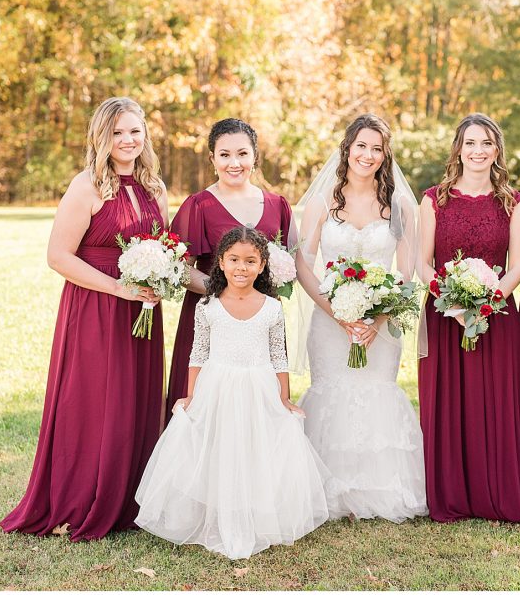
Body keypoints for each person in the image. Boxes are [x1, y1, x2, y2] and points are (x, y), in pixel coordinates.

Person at [1, 97, 167, 541]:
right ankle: (82, 497)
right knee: (92, 398)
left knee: (135, 397)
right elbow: (57, 256)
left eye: (134, 130)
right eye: (117, 133)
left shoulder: (155, 186)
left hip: (143, 309)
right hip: (96, 305)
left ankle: (130, 497)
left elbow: (166, 249)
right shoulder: (86, 185)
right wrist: (118, 288)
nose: (127, 140)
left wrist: (160, 282)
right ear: (101, 137)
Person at [135, 226, 342, 559]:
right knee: (221, 450)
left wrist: (284, 399)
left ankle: (254, 515)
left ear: (262, 266)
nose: (241, 268)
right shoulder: (208, 305)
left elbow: (278, 356)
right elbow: (198, 352)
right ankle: (219, 516)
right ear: (220, 262)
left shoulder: (272, 307)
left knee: (253, 449)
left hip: (258, 387)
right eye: (233, 260)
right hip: (217, 386)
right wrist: (191, 396)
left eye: (250, 261)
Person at [418, 113, 520, 524]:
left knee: (495, 404)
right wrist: (454, 304)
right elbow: (422, 264)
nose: (478, 151)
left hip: (497, 316)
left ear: (497, 150)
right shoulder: (433, 199)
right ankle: (452, 494)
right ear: (458, 149)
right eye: (470, 143)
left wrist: (487, 303)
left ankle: (496, 492)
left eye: (486, 143)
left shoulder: (514, 203)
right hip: (445, 316)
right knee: (450, 403)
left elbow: (517, 265)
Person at [293, 114, 428, 523]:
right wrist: (338, 314)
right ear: (347, 148)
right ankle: (328, 490)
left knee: (376, 392)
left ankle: (378, 490)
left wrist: (376, 318)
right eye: (361, 146)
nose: (367, 155)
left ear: (385, 155)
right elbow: (303, 263)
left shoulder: (401, 206)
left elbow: (406, 272)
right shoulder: (320, 204)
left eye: (376, 148)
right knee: (331, 391)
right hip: (329, 319)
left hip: (380, 326)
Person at [166, 119, 295, 421]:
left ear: (255, 157)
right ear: (212, 159)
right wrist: (227, 290)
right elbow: (181, 270)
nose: (234, 163)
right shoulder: (197, 205)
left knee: (260, 412)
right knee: (206, 411)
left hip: (261, 323)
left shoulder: (278, 205)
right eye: (224, 155)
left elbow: (291, 262)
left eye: (242, 154)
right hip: (211, 321)